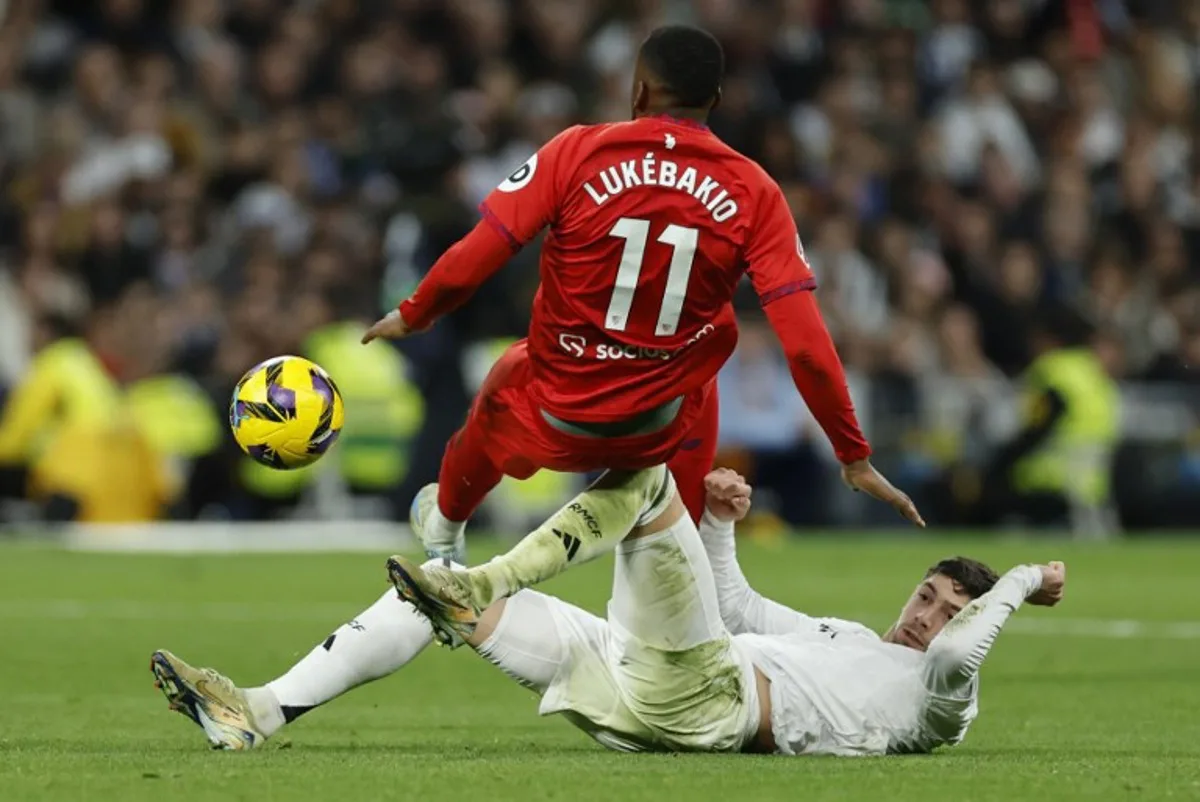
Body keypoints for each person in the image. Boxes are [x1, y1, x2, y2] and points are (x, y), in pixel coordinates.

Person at [359, 25, 921, 564]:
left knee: (506, 376)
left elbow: (478, 256)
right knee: (710, 341)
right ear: (717, 98)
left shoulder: (576, 152)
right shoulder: (755, 190)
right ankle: (687, 548)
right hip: (660, 424)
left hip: (561, 413)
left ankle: (446, 527)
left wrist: (413, 315)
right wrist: (852, 454)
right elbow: (804, 346)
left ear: (639, 89)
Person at [149, 470, 1064, 755]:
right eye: (927, 595)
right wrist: (717, 522)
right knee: (427, 604)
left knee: (645, 477)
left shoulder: (947, 703)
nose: (926, 617)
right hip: (656, 673)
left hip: (710, 697)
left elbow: (956, 660)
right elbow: (736, 602)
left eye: (951, 609)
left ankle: (476, 570)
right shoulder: (855, 640)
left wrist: (1020, 579)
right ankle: (257, 712)